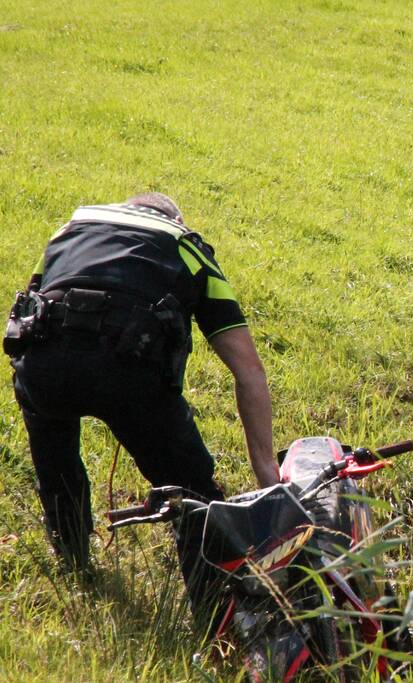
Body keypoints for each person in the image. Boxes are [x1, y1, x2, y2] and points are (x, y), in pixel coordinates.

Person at [5, 192, 279, 622]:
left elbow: (28, 312)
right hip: (129, 372)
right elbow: (248, 369)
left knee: (56, 461)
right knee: (192, 496)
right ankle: (216, 622)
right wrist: (268, 475)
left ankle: (73, 567)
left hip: (43, 367)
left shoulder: (68, 232)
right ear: (173, 217)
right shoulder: (186, 245)